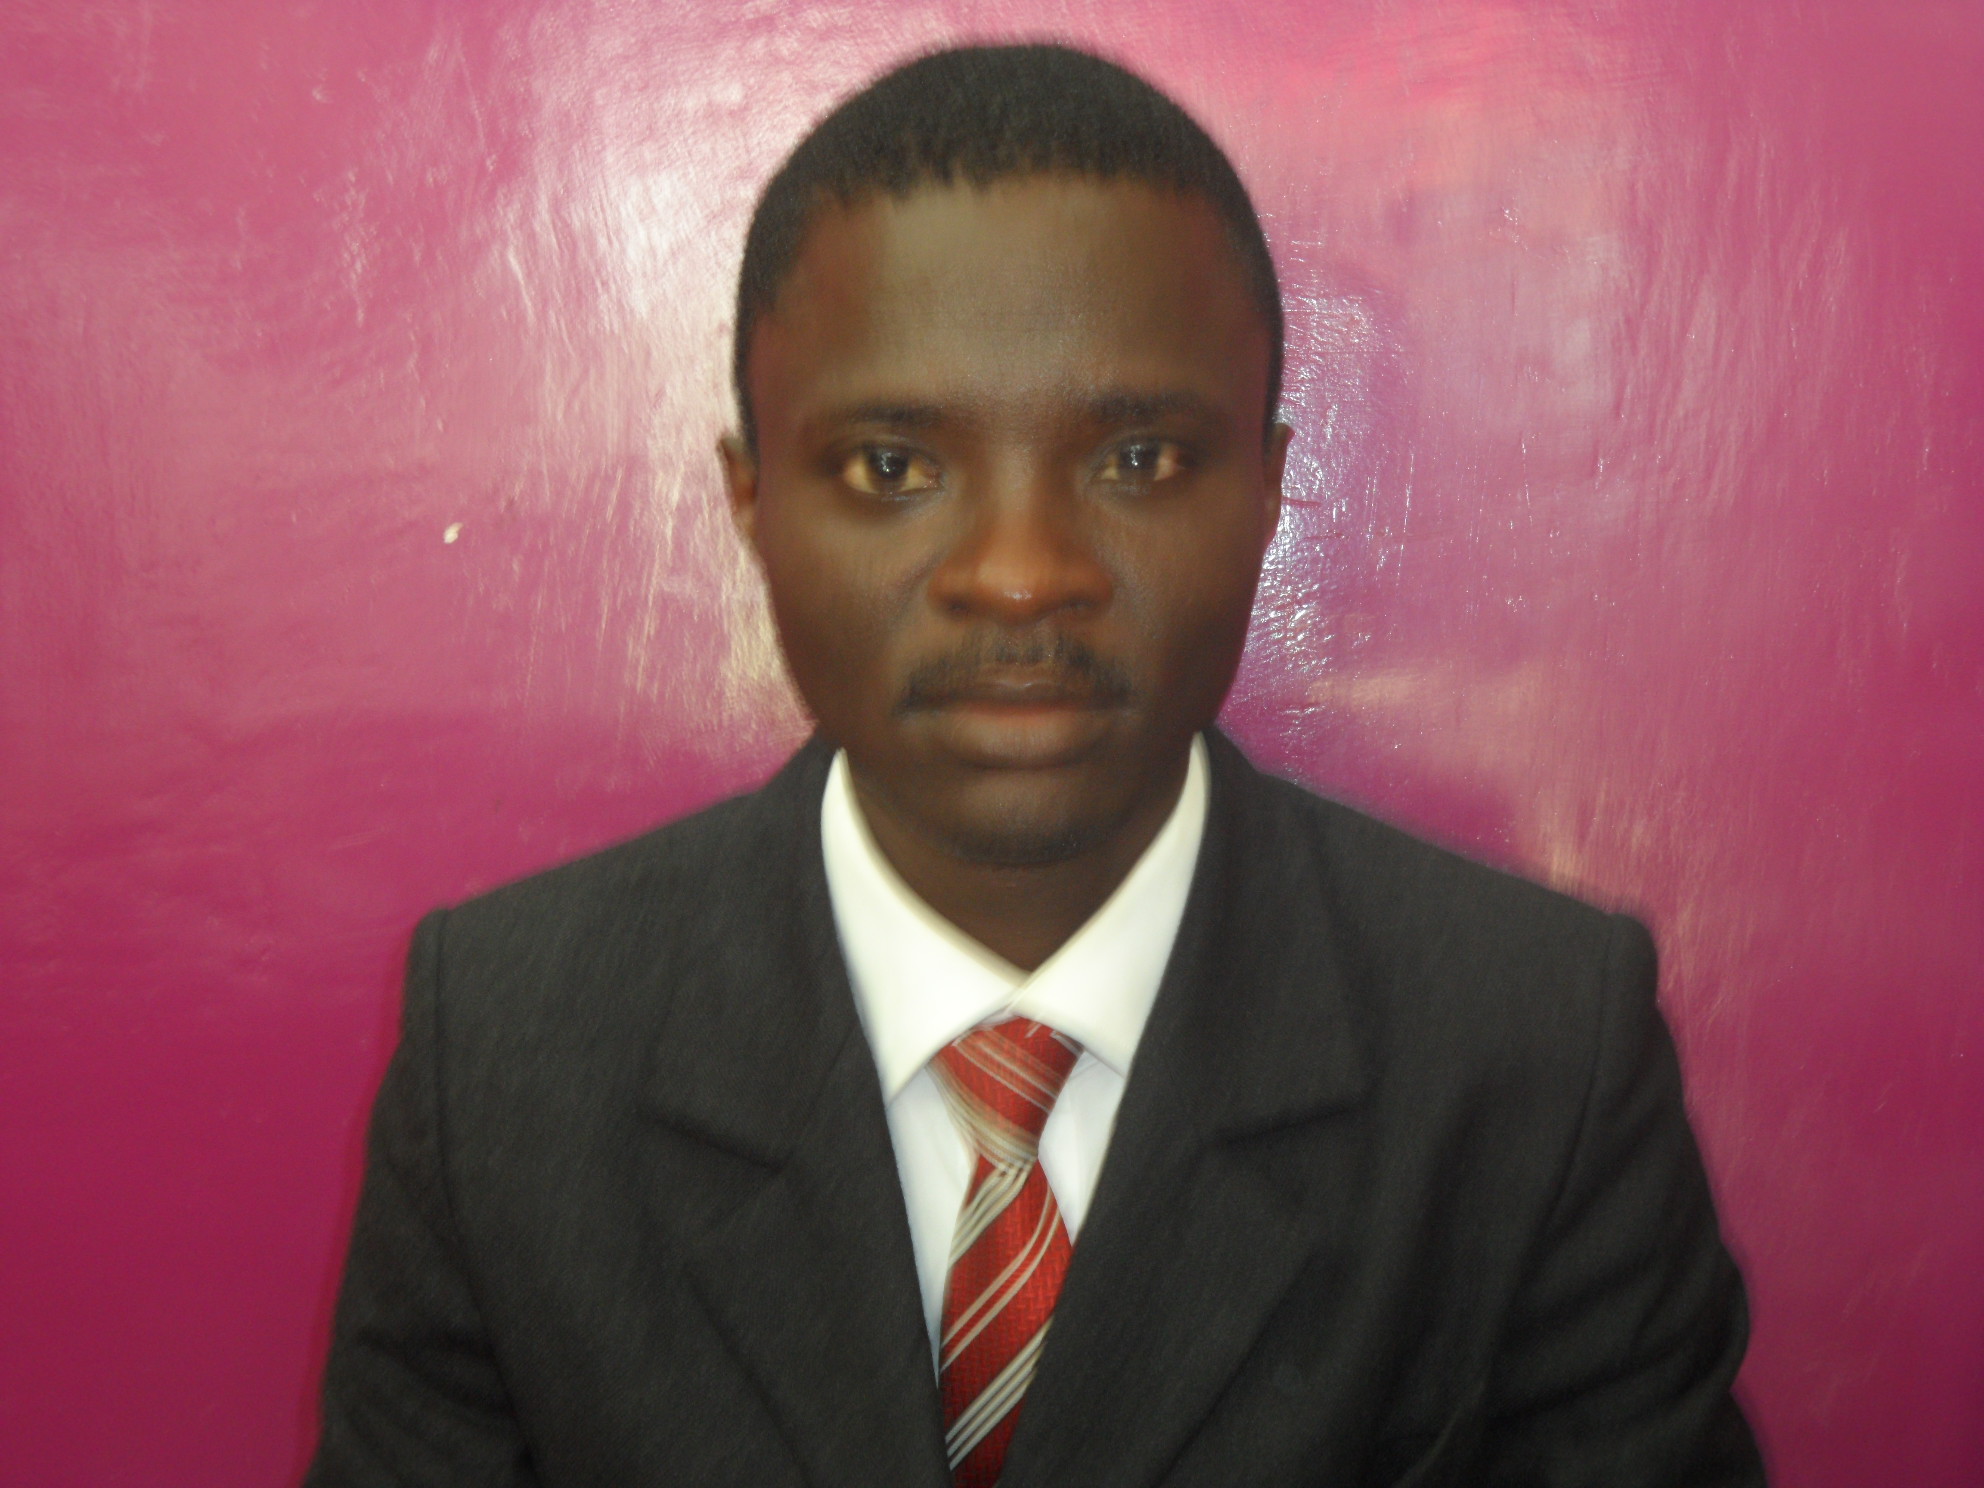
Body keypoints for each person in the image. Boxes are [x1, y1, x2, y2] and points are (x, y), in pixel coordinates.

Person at [307, 43, 1764, 1488]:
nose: (1019, 575)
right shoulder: (505, 1053)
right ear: (751, 500)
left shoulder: (1530, 1054)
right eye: (892, 466)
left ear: (1268, 491)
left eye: (1139, 460)